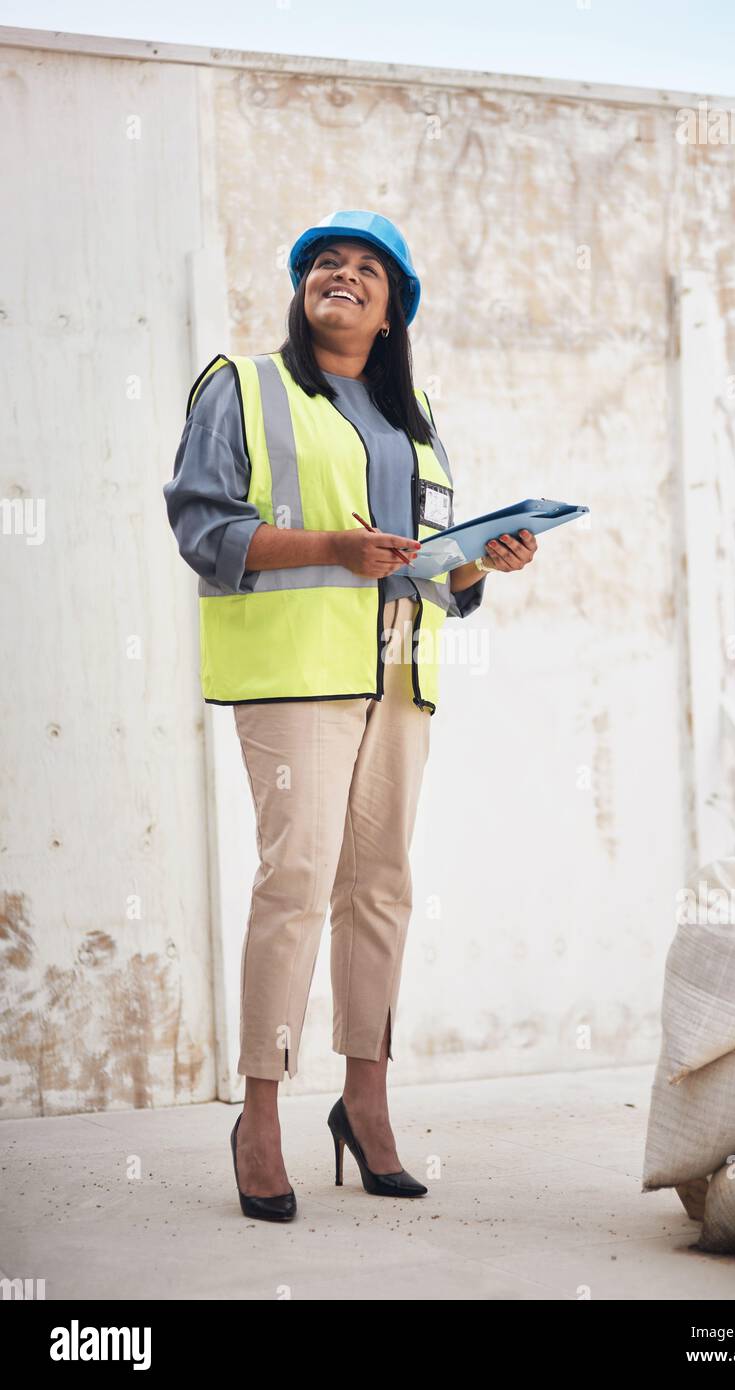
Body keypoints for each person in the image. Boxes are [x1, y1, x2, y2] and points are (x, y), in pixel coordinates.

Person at [164, 210, 537, 1220]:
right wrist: (329, 544)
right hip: (294, 675)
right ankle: (261, 1114)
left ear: (391, 311)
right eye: (325, 262)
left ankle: (365, 1105)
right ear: (302, 291)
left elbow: (430, 573)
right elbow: (204, 527)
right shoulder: (241, 386)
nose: (342, 274)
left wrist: (477, 559)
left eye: (367, 268)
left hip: (399, 675)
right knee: (295, 882)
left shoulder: (410, 411)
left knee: (380, 889)